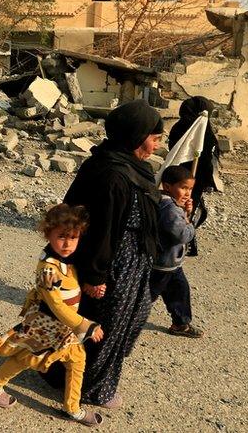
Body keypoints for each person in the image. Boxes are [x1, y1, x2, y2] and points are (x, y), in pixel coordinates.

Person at [47, 99, 164, 409]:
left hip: (131, 262)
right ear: (137, 136)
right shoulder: (113, 174)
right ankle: (92, 387)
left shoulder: (129, 167)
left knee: (124, 321)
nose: (155, 146)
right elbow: (100, 227)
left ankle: (63, 373)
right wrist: (96, 274)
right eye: (154, 138)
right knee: (103, 327)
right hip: (113, 264)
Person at [0, 204, 105, 427]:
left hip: (62, 328)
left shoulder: (65, 260)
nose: (67, 244)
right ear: (48, 234)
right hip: (47, 326)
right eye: (61, 237)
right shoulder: (48, 268)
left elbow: (70, 286)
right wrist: (85, 325)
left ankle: (72, 407)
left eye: (73, 238)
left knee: (77, 359)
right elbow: (56, 304)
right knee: (26, 359)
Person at [151, 165, 203, 338]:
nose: (188, 193)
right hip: (163, 264)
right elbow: (181, 234)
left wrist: (185, 211)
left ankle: (180, 323)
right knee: (145, 297)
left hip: (172, 263)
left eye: (190, 189)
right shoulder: (170, 209)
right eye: (183, 188)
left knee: (180, 291)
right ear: (167, 186)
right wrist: (190, 223)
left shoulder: (170, 204)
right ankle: (125, 322)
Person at [167, 96, 221, 256]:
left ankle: (185, 243)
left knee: (191, 210)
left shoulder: (199, 129)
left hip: (189, 179)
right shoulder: (190, 130)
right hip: (186, 178)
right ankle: (182, 245)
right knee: (184, 210)